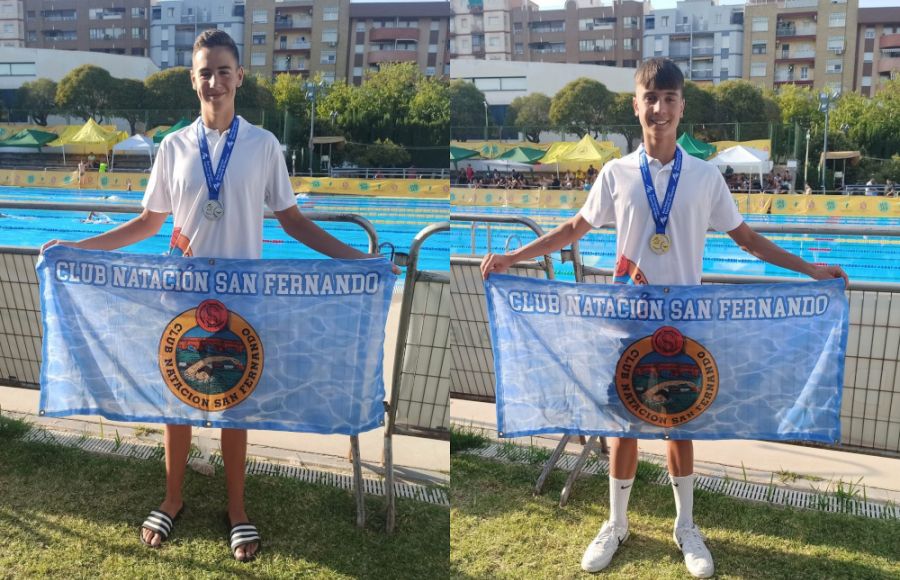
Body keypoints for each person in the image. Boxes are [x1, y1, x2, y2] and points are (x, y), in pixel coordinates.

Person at [480, 58, 847, 578]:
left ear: (681, 107)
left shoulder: (705, 177)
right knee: (623, 424)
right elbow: (571, 230)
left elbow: (747, 239)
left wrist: (809, 269)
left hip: (684, 323)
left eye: (669, 98)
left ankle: (685, 527)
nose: (659, 107)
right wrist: (512, 258)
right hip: (627, 319)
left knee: (679, 424)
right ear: (636, 105)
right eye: (650, 98)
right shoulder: (615, 173)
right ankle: (617, 523)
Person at [41, 29, 396, 563]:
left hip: (244, 298)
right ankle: (172, 497)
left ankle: (237, 508)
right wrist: (76, 246)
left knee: (236, 402)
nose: (214, 81)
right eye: (205, 72)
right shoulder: (173, 147)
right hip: (180, 294)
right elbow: (147, 223)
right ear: (193, 79)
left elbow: (293, 220)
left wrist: (358, 261)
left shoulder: (263, 145)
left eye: (223, 71)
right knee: (177, 400)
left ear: (239, 78)